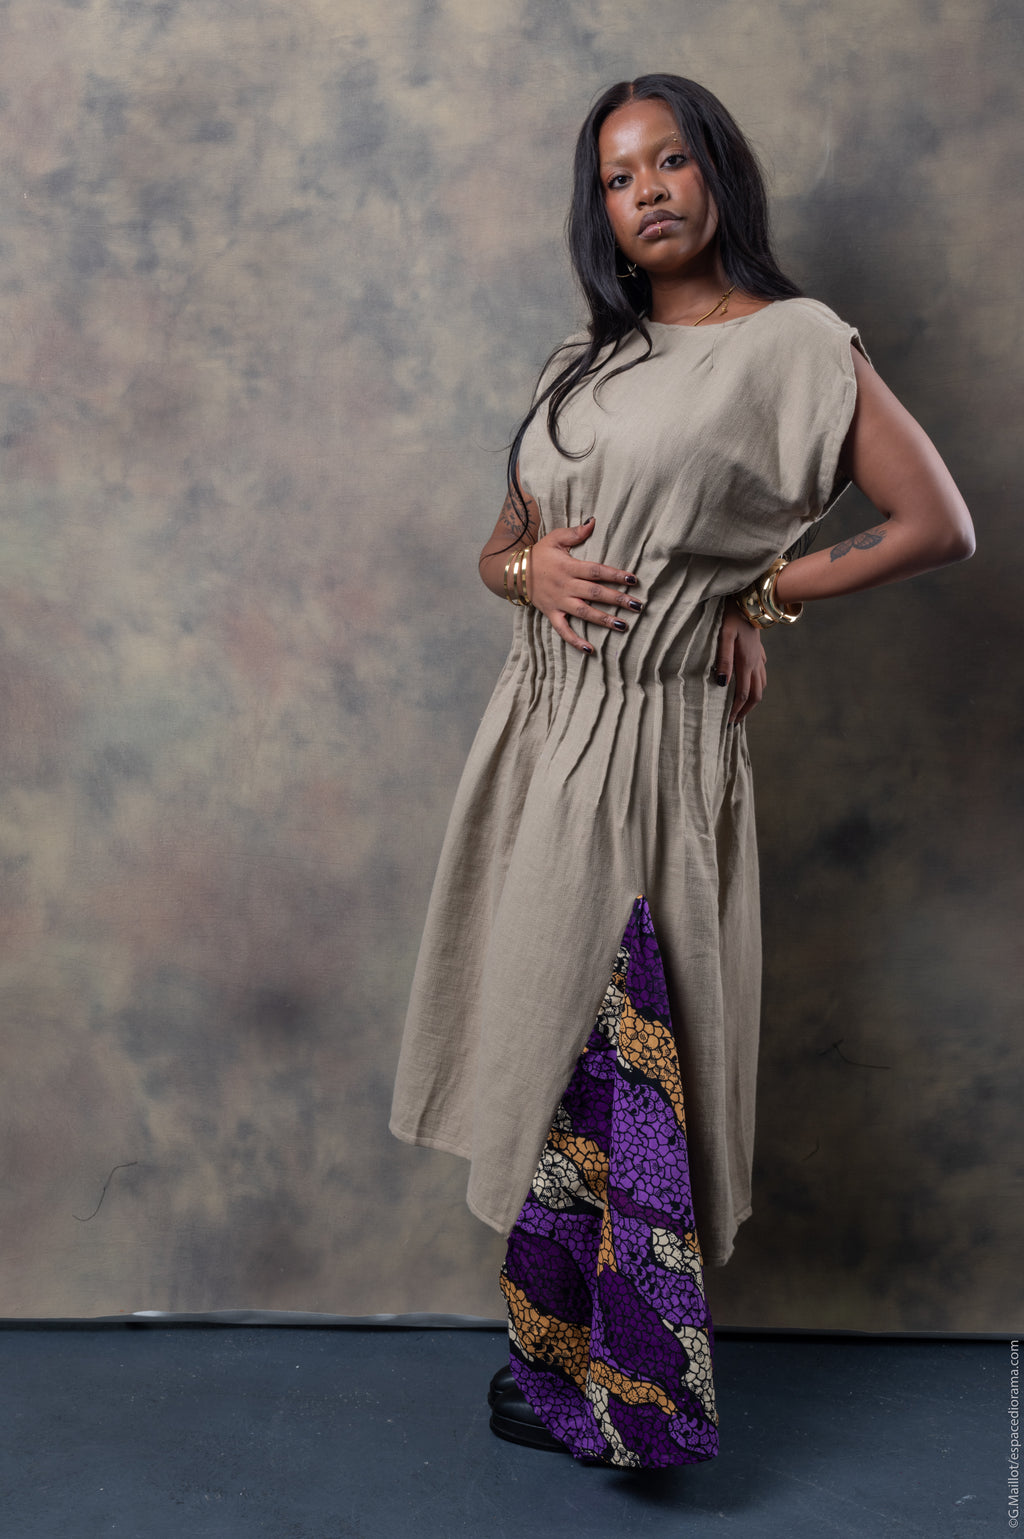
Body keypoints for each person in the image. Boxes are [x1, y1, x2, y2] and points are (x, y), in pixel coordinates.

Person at [390, 74, 974, 1469]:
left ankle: (642, 1391)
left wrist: (763, 596)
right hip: (534, 733)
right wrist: (524, 566)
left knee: (623, 1037)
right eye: (615, 175)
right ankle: (551, 1353)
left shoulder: (793, 344)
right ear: (598, 208)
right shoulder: (575, 365)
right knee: (544, 1043)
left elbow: (935, 519)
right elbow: (500, 549)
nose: (644, 190)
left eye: (668, 161)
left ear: (716, 174)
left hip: (650, 743)